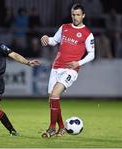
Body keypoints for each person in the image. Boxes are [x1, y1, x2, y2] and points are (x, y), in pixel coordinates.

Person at [40, 3, 95, 138]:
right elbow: (54, 41)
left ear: (83, 16)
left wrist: (78, 62)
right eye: (73, 15)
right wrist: (47, 39)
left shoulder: (87, 33)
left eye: (78, 15)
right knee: (52, 99)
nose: (75, 17)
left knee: (54, 95)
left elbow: (92, 54)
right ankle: (62, 128)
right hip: (56, 67)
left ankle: (52, 128)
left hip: (71, 69)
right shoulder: (64, 27)